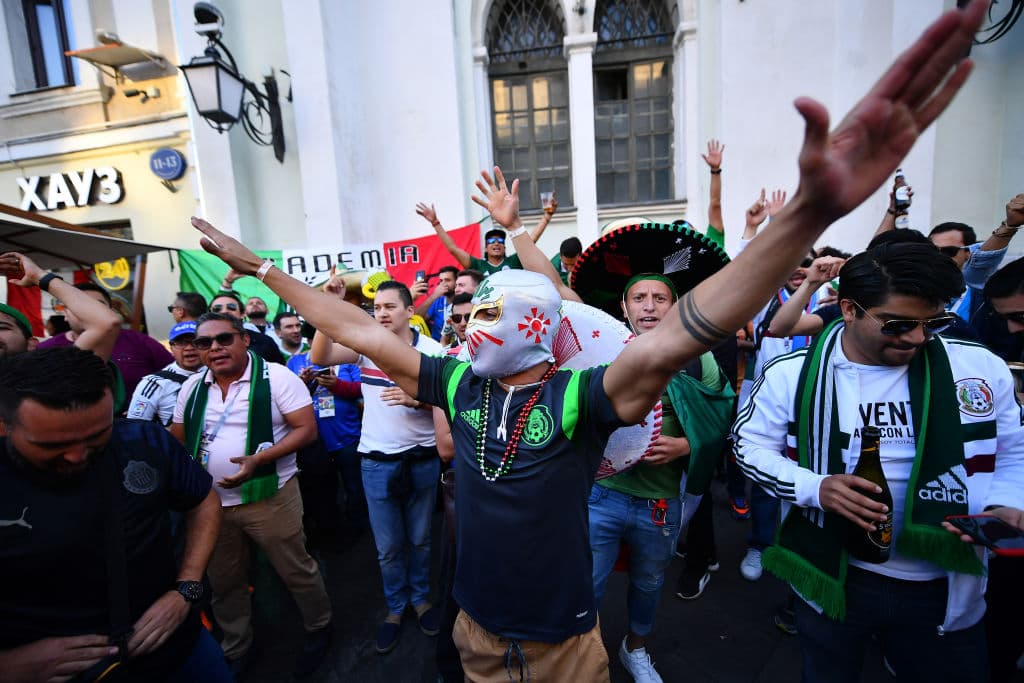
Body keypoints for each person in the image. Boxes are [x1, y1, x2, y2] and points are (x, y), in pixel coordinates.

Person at [188, 3, 989, 674]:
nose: (469, 322)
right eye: (470, 313)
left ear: (542, 329)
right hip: (472, 631)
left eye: (490, 311)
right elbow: (358, 326)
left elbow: (683, 329)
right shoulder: (457, 384)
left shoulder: (583, 396)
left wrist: (802, 218)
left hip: (566, 644)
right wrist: (260, 267)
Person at [734, 242, 1024, 682]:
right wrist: (816, 488)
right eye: (898, 325)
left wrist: (1005, 504)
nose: (917, 337)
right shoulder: (791, 375)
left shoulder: (979, 369)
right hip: (835, 574)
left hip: (947, 581)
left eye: (935, 322)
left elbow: (1014, 450)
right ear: (848, 310)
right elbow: (748, 448)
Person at [0, 346, 229, 682]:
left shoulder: (144, 442)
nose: (77, 456)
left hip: (180, 652)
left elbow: (203, 500)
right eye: (52, 446)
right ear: (5, 426)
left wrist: (187, 589)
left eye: (96, 438)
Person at [170, 312, 332, 678]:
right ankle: (238, 645)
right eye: (204, 342)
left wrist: (260, 459)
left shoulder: (277, 377)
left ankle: (319, 626)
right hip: (209, 505)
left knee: (295, 569)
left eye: (224, 339)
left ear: (244, 339)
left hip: (270, 496)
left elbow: (306, 431)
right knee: (224, 580)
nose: (214, 348)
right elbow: (177, 437)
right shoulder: (192, 387)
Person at [590, 273, 733, 682]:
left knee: (649, 583)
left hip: (661, 500)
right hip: (601, 495)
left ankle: (634, 648)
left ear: (673, 306)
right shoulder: (601, 348)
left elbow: (725, 413)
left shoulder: (697, 356)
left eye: (659, 298)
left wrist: (687, 445)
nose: (649, 306)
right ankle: (583, 653)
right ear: (624, 307)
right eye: (639, 298)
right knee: (588, 584)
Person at [310, 279, 444, 655]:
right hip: (376, 462)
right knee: (387, 547)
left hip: (422, 458)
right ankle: (395, 608)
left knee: (420, 539)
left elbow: (451, 403)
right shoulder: (366, 347)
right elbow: (320, 357)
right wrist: (326, 307)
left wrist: (418, 400)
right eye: (377, 308)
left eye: (389, 306)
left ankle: (421, 601)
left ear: (410, 311)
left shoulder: (433, 351)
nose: (381, 313)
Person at [37, 281, 173, 399]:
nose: (90, 313)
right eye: (81, 307)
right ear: (65, 313)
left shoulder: (141, 342)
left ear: (110, 312)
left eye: (98, 306)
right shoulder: (44, 351)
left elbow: (175, 377)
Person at [416, 201, 547, 275]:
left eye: (500, 241)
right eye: (491, 241)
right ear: (485, 248)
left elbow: (530, 242)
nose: (496, 243)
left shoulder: (514, 261)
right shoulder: (477, 265)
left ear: (504, 246)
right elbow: (452, 249)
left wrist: (547, 217)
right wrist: (435, 223)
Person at [127, 321, 203, 426]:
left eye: (195, 342)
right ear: (171, 348)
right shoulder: (154, 384)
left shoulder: (220, 375)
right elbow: (136, 428)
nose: (189, 348)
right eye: (181, 343)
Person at [209, 291, 286, 364]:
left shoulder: (265, 341)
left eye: (231, 307)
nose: (224, 311)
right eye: (217, 309)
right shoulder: (201, 342)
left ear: (242, 314)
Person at [414, 265, 458, 340]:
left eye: (447, 280)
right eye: (441, 281)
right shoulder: (437, 301)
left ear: (457, 282)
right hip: (438, 346)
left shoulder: (464, 301)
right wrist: (434, 296)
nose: (443, 284)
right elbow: (416, 318)